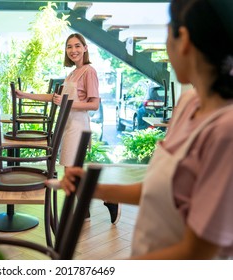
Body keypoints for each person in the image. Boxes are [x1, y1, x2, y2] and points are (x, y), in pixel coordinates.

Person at [59, 0, 233, 259]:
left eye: (167, 33)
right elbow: (159, 189)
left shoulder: (225, 131)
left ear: (183, 40)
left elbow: (199, 252)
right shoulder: (186, 104)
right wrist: (92, 189)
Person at [15, 33, 120, 223]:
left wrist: (67, 103)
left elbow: (94, 104)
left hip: (78, 126)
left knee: (72, 171)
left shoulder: (89, 71)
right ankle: (84, 211)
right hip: (67, 125)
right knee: (72, 171)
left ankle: (108, 198)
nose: (73, 50)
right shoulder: (72, 73)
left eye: (77, 46)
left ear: (85, 48)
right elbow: (55, 98)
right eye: (69, 47)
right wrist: (25, 95)